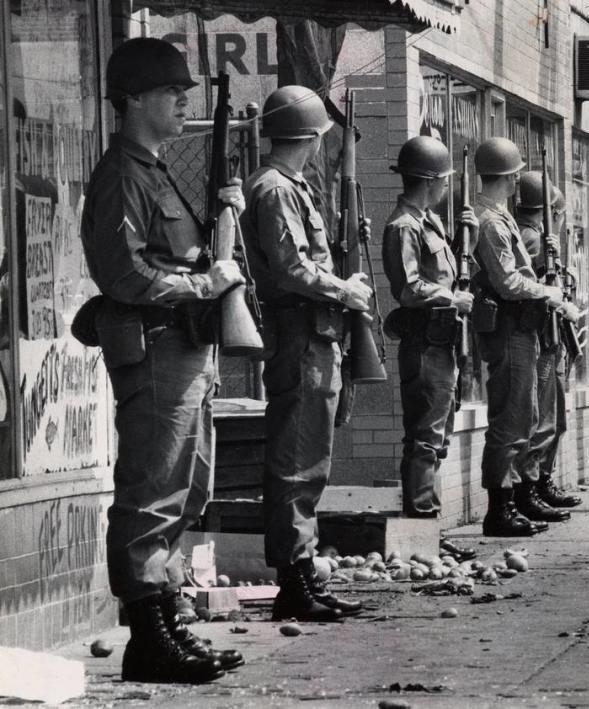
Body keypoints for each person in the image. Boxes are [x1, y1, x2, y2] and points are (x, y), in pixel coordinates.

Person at [80, 37, 246, 684]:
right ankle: (146, 636)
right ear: (134, 100)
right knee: (150, 490)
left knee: (188, 484)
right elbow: (123, 273)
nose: (183, 101)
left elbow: (180, 256)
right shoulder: (121, 174)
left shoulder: (155, 169)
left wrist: (222, 223)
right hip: (152, 345)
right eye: (170, 92)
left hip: (184, 347)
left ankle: (169, 617)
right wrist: (202, 286)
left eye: (183, 91)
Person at [241, 85, 370, 622]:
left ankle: (303, 573)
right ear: (314, 137)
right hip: (300, 334)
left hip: (315, 333)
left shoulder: (290, 186)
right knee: (297, 460)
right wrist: (346, 290)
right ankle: (293, 583)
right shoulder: (274, 189)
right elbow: (293, 268)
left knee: (311, 460)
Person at [471, 138, 572, 536]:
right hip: (510, 326)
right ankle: (499, 508)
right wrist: (548, 292)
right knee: (511, 419)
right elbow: (509, 282)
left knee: (523, 416)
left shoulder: (498, 216)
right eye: (516, 172)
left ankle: (509, 502)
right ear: (510, 175)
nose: (518, 179)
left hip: (520, 327)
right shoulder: (492, 221)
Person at [382, 136, 476, 520]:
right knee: (424, 439)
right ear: (430, 181)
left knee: (437, 439)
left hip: (442, 343)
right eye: (443, 180)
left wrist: (463, 237)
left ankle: (431, 523)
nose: (446, 187)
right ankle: (423, 523)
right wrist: (451, 298)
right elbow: (407, 287)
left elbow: (446, 271)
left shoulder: (430, 222)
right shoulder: (404, 226)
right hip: (424, 344)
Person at [514, 171, 582, 515]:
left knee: (551, 419)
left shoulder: (534, 236)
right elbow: (534, 284)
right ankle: (532, 486)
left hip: (547, 333)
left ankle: (540, 482)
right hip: (542, 335)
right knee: (543, 419)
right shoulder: (532, 237)